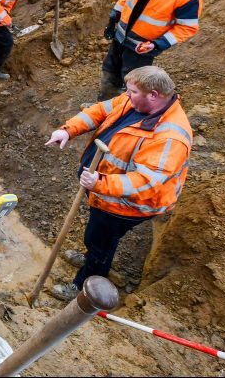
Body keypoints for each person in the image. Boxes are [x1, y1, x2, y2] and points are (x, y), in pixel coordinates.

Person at [44, 66, 193, 301]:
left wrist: (99, 182)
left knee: (101, 242)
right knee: (95, 236)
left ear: (153, 95)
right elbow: (99, 111)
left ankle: (86, 288)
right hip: (104, 188)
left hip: (126, 204)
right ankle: (91, 256)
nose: (126, 94)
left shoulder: (170, 137)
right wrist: (68, 131)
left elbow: (145, 182)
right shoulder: (134, 100)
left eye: (132, 91)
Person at [98, 0, 203, 100]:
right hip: (121, 35)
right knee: (109, 69)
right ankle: (103, 105)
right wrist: (114, 17)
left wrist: (157, 44)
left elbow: (187, 27)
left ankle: (125, 114)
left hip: (142, 47)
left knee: (133, 82)